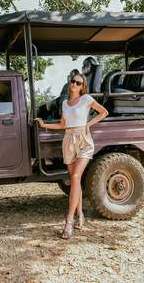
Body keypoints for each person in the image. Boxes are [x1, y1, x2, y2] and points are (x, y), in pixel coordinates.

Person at [35, 73, 108, 239]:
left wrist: (88, 124)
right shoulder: (64, 103)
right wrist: (44, 124)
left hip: (83, 140)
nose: (74, 84)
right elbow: (62, 124)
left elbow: (103, 112)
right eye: (73, 81)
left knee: (75, 177)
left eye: (78, 82)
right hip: (68, 140)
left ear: (82, 86)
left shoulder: (86, 99)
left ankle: (69, 220)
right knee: (75, 180)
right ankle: (80, 215)